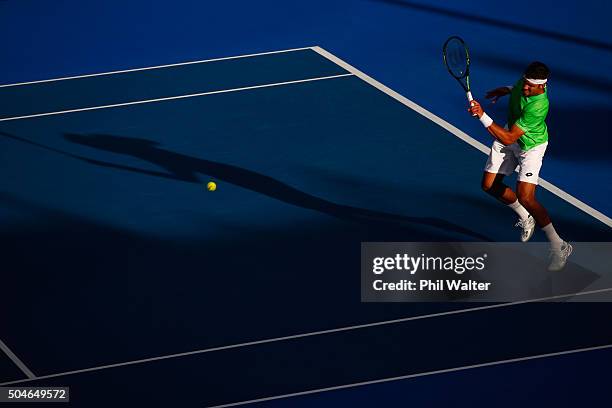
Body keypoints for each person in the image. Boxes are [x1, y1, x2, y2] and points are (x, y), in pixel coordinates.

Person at [468, 61, 572, 271]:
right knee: (488, 185)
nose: (524, 87)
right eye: (524, 82)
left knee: (526, 196)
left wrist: (481, 115)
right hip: (511, 134)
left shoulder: (539, 106)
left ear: (541, 86)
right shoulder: (526, 82)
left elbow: (507, 139)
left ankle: (558, 244)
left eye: (529, 86)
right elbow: (515, 88)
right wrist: (504, 90)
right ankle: (525, 216)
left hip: (530, 147)